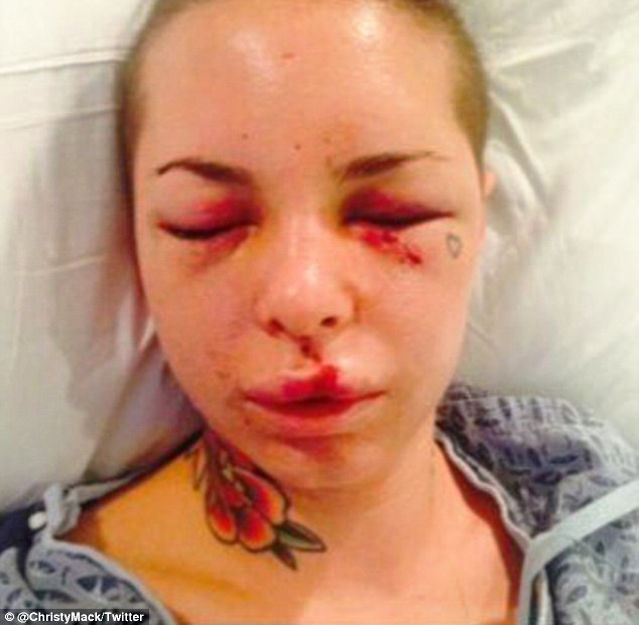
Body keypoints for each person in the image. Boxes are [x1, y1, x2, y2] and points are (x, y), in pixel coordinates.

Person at [1, 1, 638, 624]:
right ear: (135, 244)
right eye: (206, 223)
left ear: (477, 225)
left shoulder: (590, 489)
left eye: (395, 214)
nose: (303, 300)